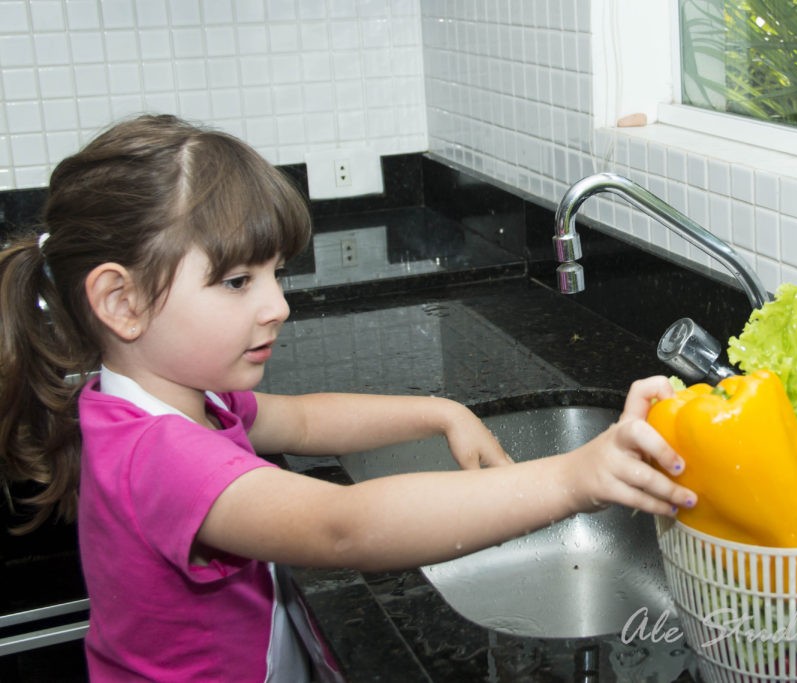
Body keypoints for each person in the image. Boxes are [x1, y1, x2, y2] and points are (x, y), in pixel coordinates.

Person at [0, 114, 696, 682]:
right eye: (238, 282)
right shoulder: (159, 455)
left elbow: (303, 419)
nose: (277, 305)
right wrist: (574, 479)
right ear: (120, 302)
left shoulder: (175, 399)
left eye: (275, 274)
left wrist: (439, 411)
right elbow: (345, 526)